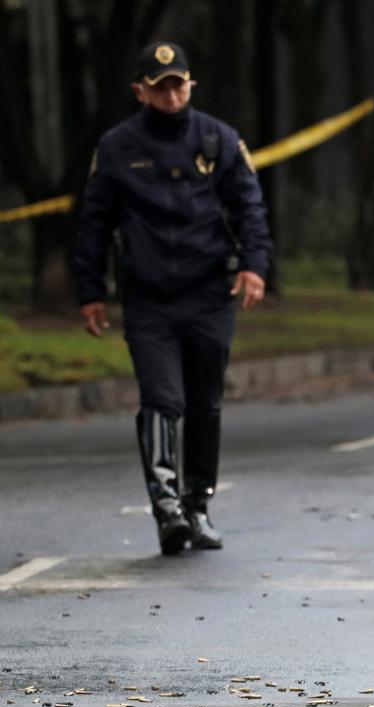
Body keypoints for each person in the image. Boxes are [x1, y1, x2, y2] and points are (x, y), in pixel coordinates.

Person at [74, 42, 270, 555]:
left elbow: (248, 205)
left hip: (209, 293)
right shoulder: (118, 148)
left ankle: (197, 504)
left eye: (178, 84)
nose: (170, 94)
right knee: (164, 400)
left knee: (204, 403)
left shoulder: (217, 139)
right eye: (159, 86)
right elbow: (94, 223)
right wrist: (90, 291)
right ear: (140, 90)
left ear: (191, 85)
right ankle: (166, 508)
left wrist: (254, 266)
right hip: (149, 298)